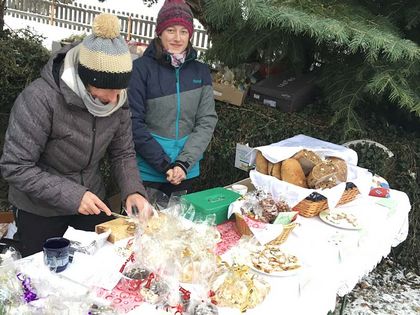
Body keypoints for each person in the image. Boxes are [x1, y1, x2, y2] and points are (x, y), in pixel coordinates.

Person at [0, 14, 150, 257]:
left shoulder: (117, 100)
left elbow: (122, 152)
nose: (114, 99)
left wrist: (133, 189)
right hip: (40, 210)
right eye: (107, 91)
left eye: (120, 90)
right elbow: (15, 166)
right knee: (44, 279)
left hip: (90, 203)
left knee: (96, 271)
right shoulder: (40, 99)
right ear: (86, 79)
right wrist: (73, 195)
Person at [128, 0, 218, 197]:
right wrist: (164, 164)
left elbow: (206, 121)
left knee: (179, 227)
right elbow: (133, 122)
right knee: (140, 227)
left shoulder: (201, 71)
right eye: (170, 30)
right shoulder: (141, 70)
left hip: (186, 171)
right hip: (147, 172)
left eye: (183, 31)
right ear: (159, 32)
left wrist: (183, 163)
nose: (177, 38)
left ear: (190, 35)